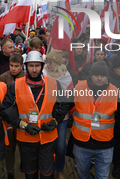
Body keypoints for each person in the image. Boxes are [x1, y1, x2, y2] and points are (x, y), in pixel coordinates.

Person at [2, 51, 67, 179]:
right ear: (26, 66)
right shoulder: (16, 85)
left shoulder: (54, 84)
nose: (34, 69)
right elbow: (6, 109)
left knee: (47, 174)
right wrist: (23, 125)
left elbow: (64, 104)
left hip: (48, 138)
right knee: (30, 174)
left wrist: (55, 121)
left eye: (37, 66)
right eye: (31, 66)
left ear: (42, 66)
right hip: (26, 138)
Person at [72, 61, 118, 179]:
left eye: (102, 76)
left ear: (107, 77)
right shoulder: (78, 87)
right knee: (82, 173)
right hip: (81, 141)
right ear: (90, 75)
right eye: (96, 75)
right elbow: (66, 104)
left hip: (105, 142)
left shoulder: (115, 91)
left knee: (102, 176)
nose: (99, 78)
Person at [43, 50, 74, 179]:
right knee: (46, 146)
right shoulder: (42, 75)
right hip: (45, 116)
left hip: (62, 118)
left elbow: (70, 99)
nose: (48, 65)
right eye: (47, 62)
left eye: (50, 62)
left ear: (57, 62)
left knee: (61, 146)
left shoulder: (66, 76)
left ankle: (59, 169)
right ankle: (47, 168)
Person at [0, 54, 26, 179]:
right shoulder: (3, 77)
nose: (13, 68)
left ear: (21, 66)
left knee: (23, 145)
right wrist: (7, 122)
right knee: (9, 147)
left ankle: (24, 164)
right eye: (11, 65)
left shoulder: (27, 78)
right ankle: (10, 171)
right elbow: (2, 101)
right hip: (9, 118)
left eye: (16, 66)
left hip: (22, 118)